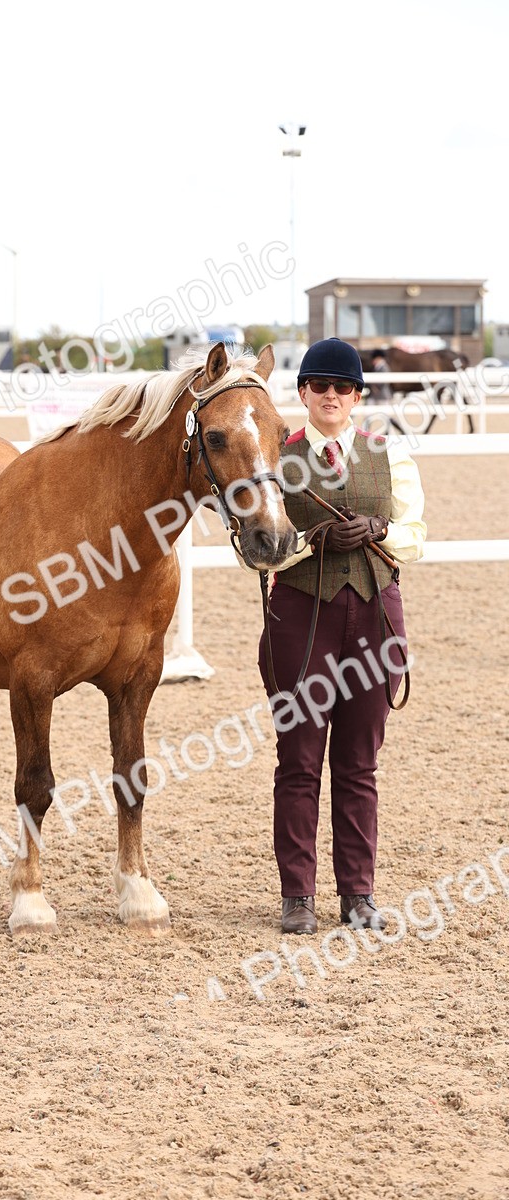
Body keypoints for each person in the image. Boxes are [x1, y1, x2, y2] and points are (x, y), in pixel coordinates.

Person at [258, 337, 427, 935]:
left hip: (376, 612)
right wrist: (310, 544)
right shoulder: (277, 458)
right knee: (299, 760)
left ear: (358, 395)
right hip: (303, 614)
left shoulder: (389, 455)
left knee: (359, 764)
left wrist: (381, 527)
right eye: (320, 386)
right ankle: (298, 895)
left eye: (342, 388)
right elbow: (258, 550)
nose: (331, 396)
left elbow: (415, 533)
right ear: (303, 393)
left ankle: (358, 893)